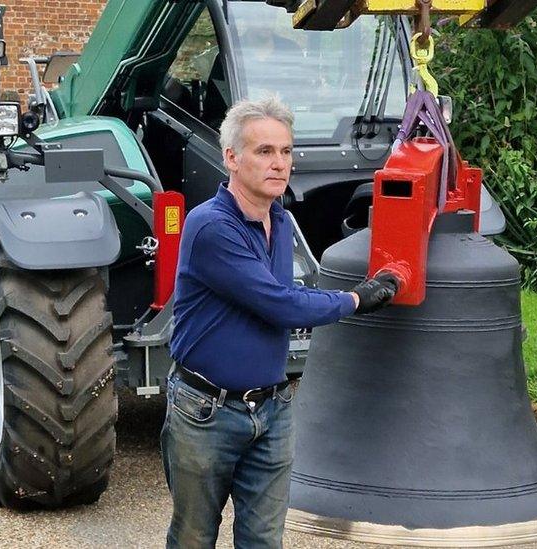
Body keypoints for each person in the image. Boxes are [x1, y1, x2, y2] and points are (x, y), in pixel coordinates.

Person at [162, 96, 396, 548]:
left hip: (272, 411)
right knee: (193, 537)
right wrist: (355, 298)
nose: (279, 163)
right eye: (264, 151)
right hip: (206, 411)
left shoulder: (281, 220)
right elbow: (279, 304)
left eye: (286, 152)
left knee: (265, 540)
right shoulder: (210, 227)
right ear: (231, 157)